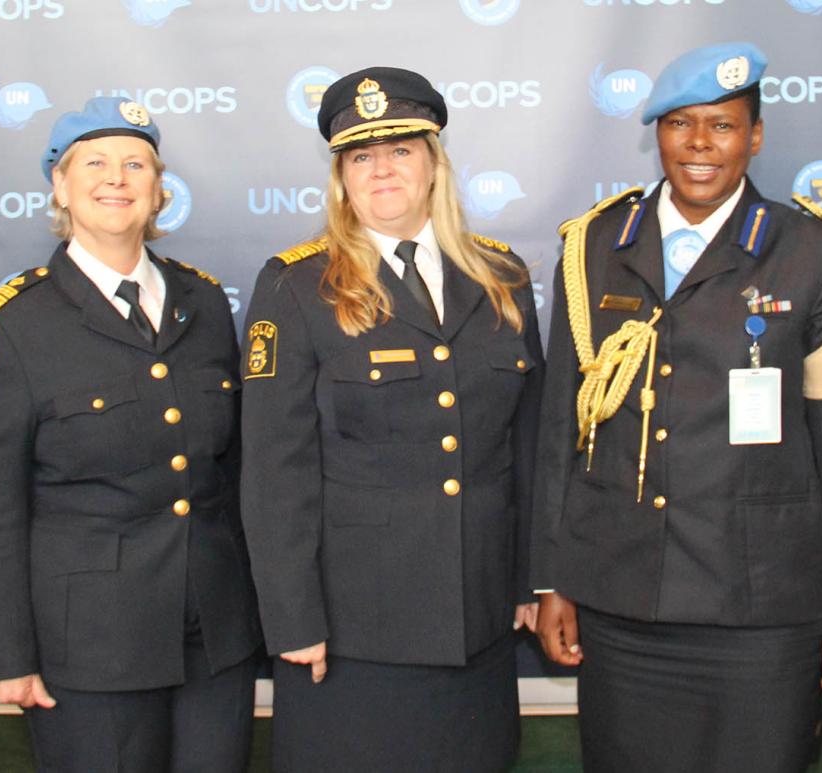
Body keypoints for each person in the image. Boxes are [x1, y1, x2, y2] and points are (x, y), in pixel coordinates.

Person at [530, 42, 822, 773]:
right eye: (680, 123)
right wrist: (551, 576)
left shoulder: (815, 253)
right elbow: (562, 423)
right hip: (622, 602)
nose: (698, 146)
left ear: (755, 136)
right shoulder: (593, 246)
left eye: (721, 126)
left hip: (762, 611)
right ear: (656, 133)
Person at [239, 67, 543, 773]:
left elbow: (526, 447)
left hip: (482, 621)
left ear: (434, 163)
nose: (382, 169)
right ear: (341, 176)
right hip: (350, 635)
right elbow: (272, 469)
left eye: (401, 150)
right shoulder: (295, 286)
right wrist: (293, 620)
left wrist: (531, 579)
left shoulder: (502, 279)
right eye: (361, 156)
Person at [0, 97, 261, 772]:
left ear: (159, 190)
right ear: (59, 187)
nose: (116, 178)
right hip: (89, 647)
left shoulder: (205, 303)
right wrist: (4, 654)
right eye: (93, 163)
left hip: (215, 636)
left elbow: (237, 470)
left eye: (136, 164)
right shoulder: (13, 325)